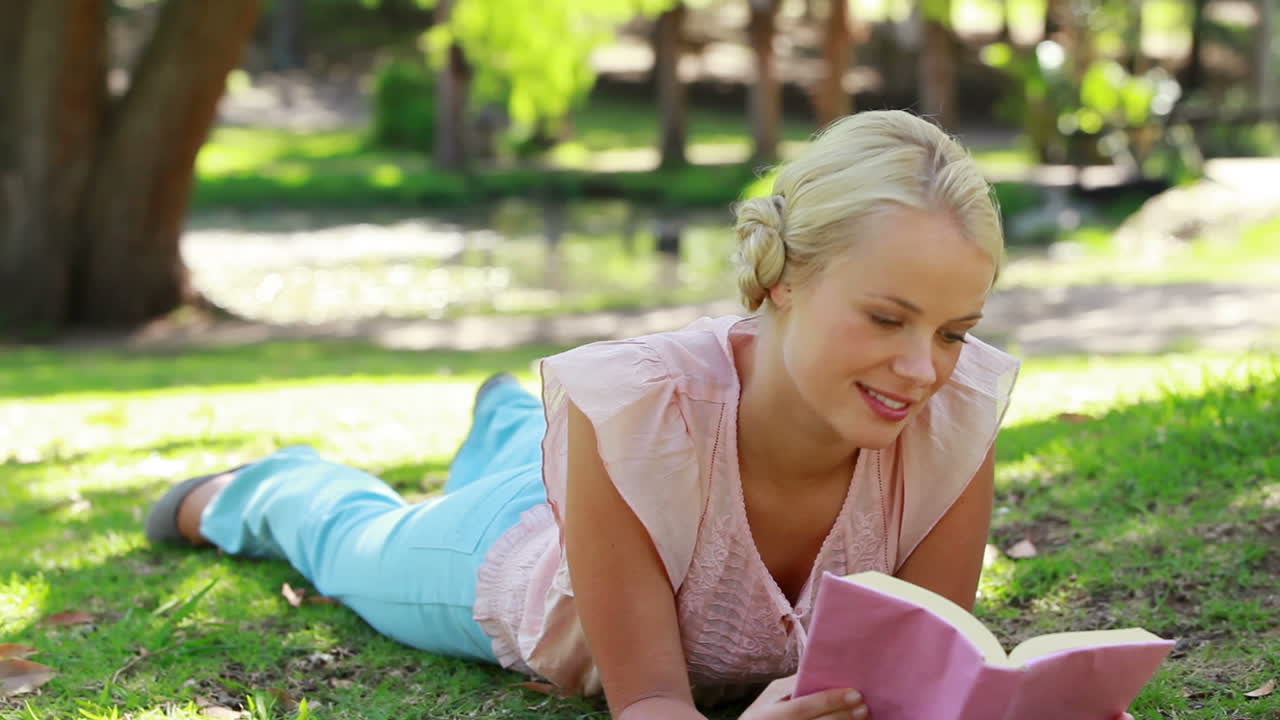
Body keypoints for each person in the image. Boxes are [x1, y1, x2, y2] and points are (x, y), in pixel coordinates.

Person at [145, 110, 1130, 720]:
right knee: (351, 543)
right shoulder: (646, 406)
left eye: (954, 331)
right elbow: (651, 701)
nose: (922, 368)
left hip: (604, 476)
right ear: (783, 281)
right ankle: (266, 487)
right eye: (885, 318)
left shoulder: (951, 415)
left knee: (550, 444)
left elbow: (926, 682)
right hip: (526, 560)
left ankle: (508, 422)